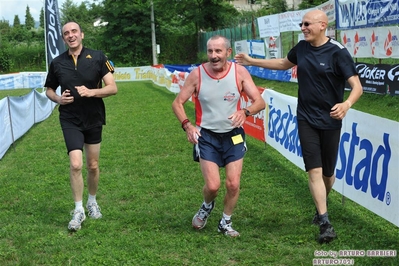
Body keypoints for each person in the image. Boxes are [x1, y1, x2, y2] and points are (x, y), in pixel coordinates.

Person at [235, 10, 363, 244]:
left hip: (331, 120)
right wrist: (252, 61)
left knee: (327, 173)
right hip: (305, 118)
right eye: (301, 24)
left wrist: (346, 104)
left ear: (322, 25)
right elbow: (284, 63)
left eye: (307, 24)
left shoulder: (338, 52)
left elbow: (357, 86)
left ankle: (320, 204)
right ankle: (324, 222)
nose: (302, 28)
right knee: (313, 170)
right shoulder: (302, 48)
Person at [172, 35, 265, 237]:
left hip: (234, 136)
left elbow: (259, 102)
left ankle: (225, 222)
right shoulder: (197, 74)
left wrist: (245, 112)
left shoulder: (239, 72)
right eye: (210, 51)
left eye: (218, 51)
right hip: (207, 137)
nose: (214, 56)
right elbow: (177, 103)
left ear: (228, 53)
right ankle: (207, 206)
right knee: (213, 186)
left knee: (233, 184)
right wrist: (187, 125)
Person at [44, 22, 118, 231]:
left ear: (82, 34)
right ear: (63, 38)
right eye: (66, 33)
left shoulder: (98, 57)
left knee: (92, 165)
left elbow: (113, 88)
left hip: (93, 117)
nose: (70, 35)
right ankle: (78, 210)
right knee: (76, 164)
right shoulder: (57, 62)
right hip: (70, 119)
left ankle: (92, 201)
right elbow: (49, 90)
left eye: (74, 31)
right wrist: (58, 99)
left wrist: (91, 92)